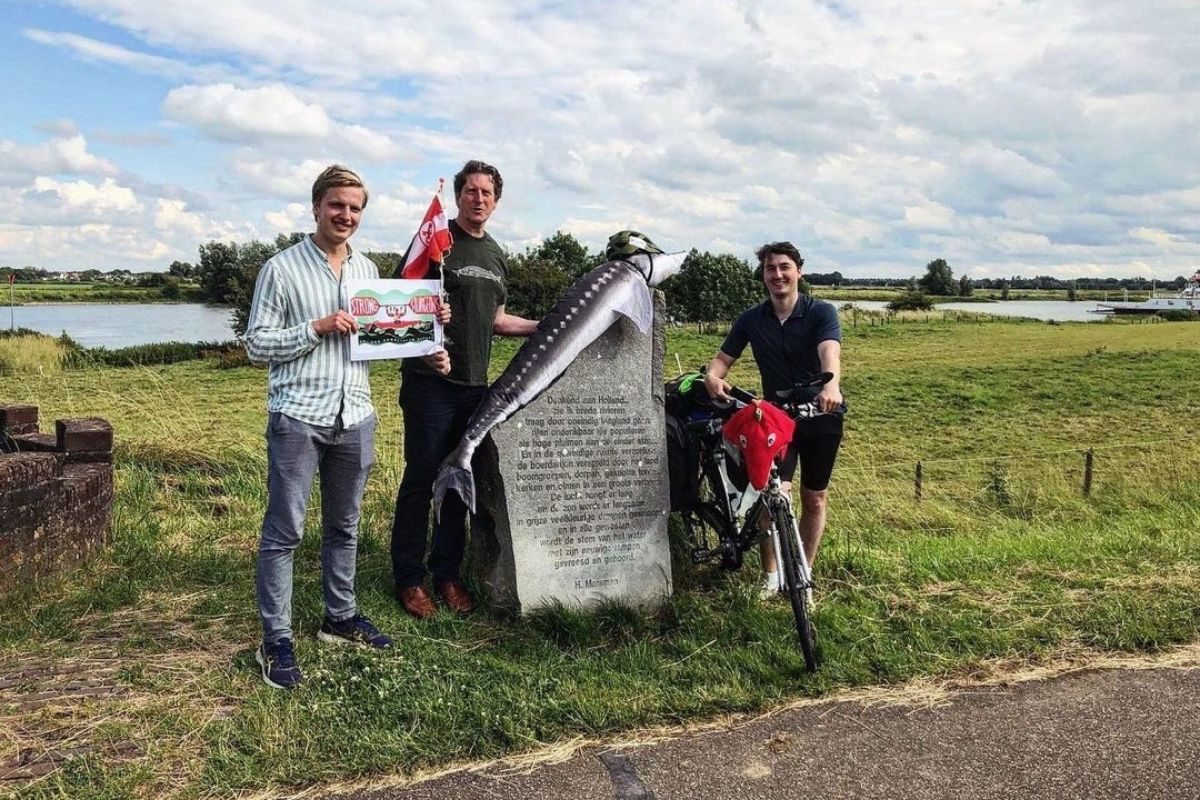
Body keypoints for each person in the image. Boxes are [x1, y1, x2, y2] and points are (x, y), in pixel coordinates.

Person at [245, 165, 405, 689]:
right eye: (337, 205)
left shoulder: (368, 271)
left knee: (345, 526)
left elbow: (382, 339)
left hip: (355, 413)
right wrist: (315, 327)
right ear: (316, 207)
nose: (347, 215)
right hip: (298, 416)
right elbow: (256, 345)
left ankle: (340, 618)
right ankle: (277, 640)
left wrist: (425, 327)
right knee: (284, 531)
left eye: (356, 207)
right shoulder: (281, 269)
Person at [390, 159, 538, 619]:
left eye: (487, 193)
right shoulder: (436, 241)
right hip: (431, 385)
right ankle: (409, 579)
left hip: (476, 388)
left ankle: (447, 573)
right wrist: (426, 334)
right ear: (458, 197)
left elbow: (496, 320)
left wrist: (545, 326)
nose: (478, 199)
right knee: (421, 480)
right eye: (471, 191)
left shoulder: (495, 255)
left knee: (458, 483)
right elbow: (398, 306)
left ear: (496, 200)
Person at [703, 241, 844, 595]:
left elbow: (830, 350)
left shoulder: (821, 312)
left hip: (820, 414)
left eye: (784, 266)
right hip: (776, 419)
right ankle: (771, 575)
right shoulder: (752, 319)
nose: (777, 274)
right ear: (763, 275)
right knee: (769, 496)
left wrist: (832, 385)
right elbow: (721, 361)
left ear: (799, 271)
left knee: (815, 499)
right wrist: (712, 377)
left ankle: (803, 573)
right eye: (770, 268)